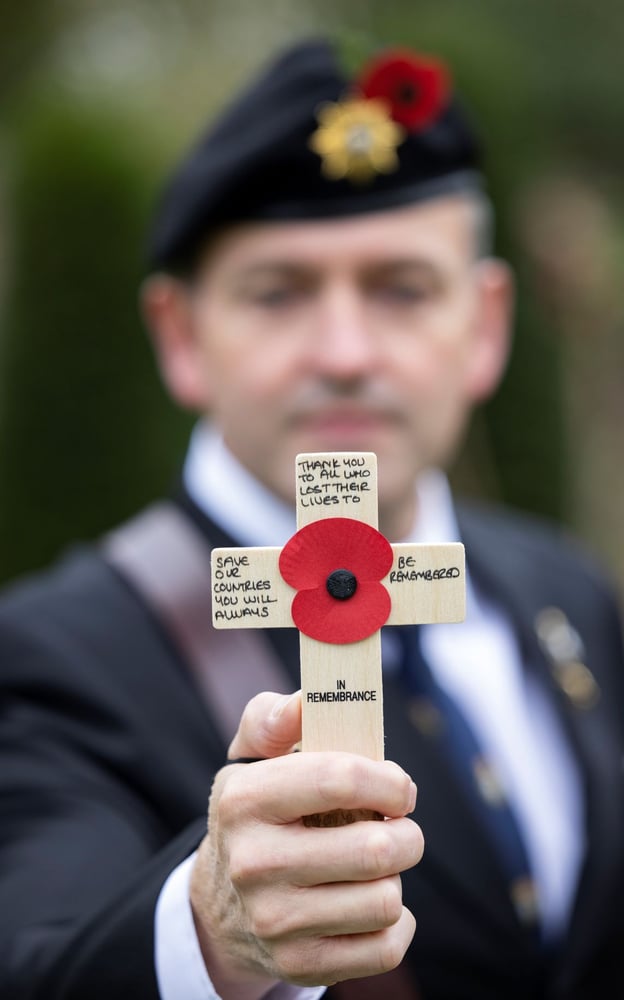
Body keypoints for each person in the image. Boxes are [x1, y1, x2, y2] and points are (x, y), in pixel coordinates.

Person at [1, 36, 624, 1000]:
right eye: (279, 292)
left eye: (402, 289)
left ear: (487, 326)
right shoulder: (54, 654)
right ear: (181, 335)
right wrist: (207, 934)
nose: (343, 350)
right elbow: (38, 966)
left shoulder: (560, 584)